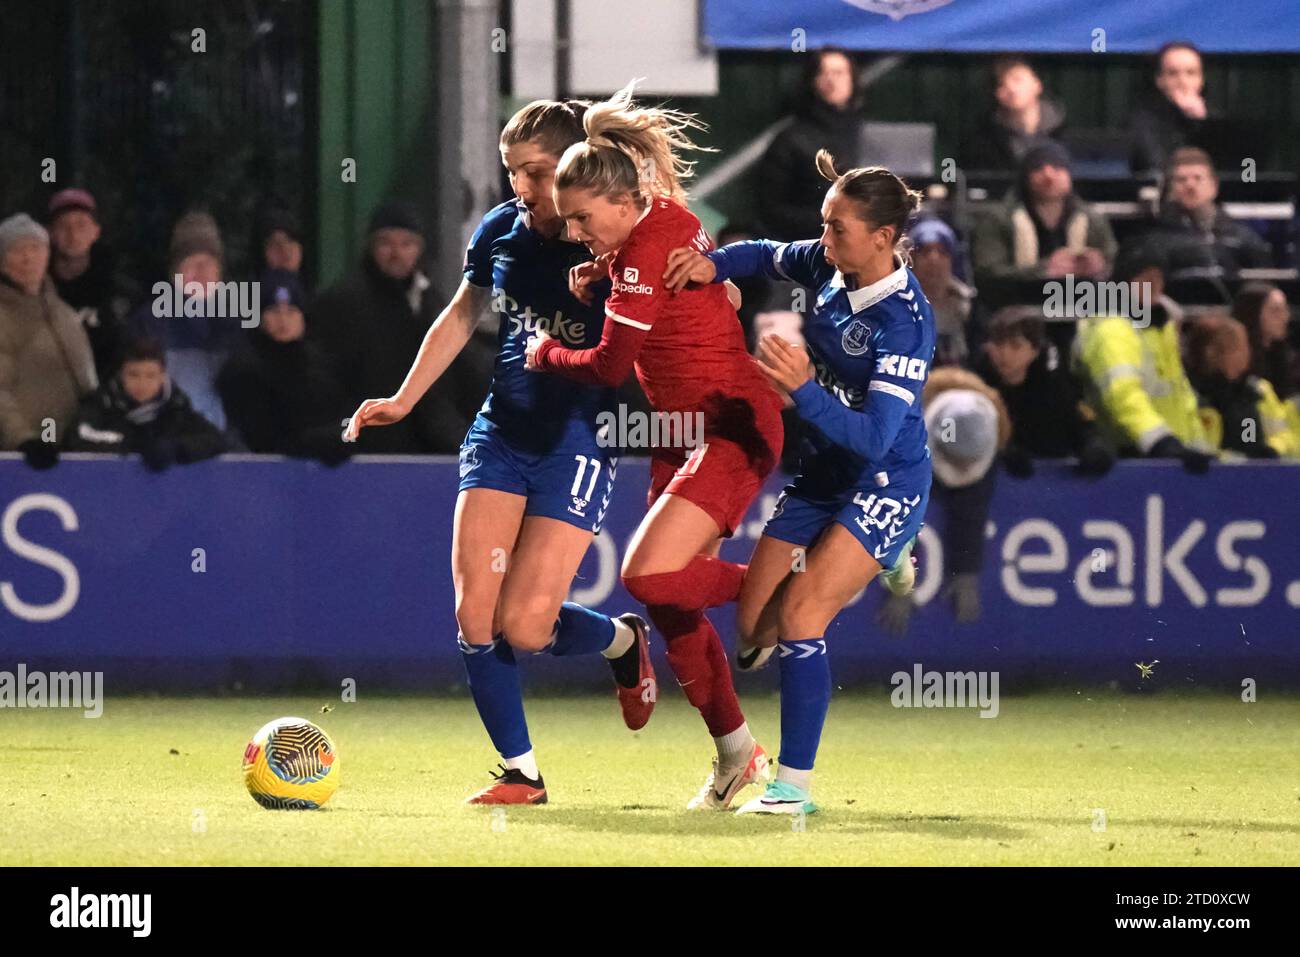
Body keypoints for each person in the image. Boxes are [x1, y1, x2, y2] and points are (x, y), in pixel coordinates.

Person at [346, 100, 655, 806]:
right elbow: (463, 312)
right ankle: (523, 773)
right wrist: (403, 399)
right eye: (512, 170)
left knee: (525, 625)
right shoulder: (500, 230)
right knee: (474, 614)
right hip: (501, 434)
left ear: (574, 165)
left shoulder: (611, 238)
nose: (521, 186)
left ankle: (620, 642)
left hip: (579, 440)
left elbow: (685, 291)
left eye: (536, 171)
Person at [527, 81, 784, 810]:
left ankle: (788, 584)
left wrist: (548, 352)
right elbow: (668, 274)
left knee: (648, 576)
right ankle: (736, 754)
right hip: (684, 435)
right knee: (673, 605)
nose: (577, 231)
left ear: (618, 201)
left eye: (583, 218)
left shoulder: (641, 253)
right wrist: (600, 271)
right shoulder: (663, 217)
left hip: (729, 425)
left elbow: (609, 365)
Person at [663, 153, 933, 815]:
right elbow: (762, 252)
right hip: (823, 473)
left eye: (838, 228)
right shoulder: (828, 262)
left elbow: (873, 437)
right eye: (824, 224)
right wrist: (714, 265)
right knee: (756, 626)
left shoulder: (906, 322)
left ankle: (794, 788)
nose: (824, 238)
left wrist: (802, 389)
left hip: (884, 478)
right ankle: (890, 559)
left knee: (804, 618)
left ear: (883, 237)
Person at [313, 201, 491, 454]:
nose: (396, 253)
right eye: (386, 243)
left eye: (406, 243)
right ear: (371, 247)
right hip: (368, 449)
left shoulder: (430, 300)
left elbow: (460, 370)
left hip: (429, 447)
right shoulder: (344, 304)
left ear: (419, 249)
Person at [1073, 242, 1214, 471]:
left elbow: (1180, 396)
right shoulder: (1112, 329)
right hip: (1135, 460)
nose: (1155, 285)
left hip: (1176, 458)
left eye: (1159, 277)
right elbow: (1123, 396)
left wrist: (1198, 447)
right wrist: (1160, 441)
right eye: (1145, 278)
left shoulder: (1159, 327)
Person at [216, 270, 351, 461]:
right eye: (273, 311)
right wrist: (313, 442)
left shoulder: (323, 364)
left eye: (291, 311)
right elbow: (260, 437)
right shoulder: (242, 369)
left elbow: (343, 414)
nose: (283, 319)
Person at [127, 211, 243, 433]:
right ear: (175, 271)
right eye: (191, 263)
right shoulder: (150, 321)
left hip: (223, 448)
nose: (201, 272)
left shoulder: (236, 322)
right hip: (167, 442)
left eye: (208, 263)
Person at [0, 213, 98, 466]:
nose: (28, 258)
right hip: (22, 457)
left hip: (72, 451)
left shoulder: (64, 314)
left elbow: (88, 381)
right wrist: (23, 440)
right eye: (17, 250)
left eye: (35, 248)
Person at [975, 306, 1113, 474]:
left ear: (1034, 351)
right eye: (997, 344)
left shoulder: (1055, 386)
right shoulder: (976, 387)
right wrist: (1001, 451)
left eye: (1015, 346)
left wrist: (1093, 446)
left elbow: (1079, 426)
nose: (1004, 353)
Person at [757, 48, 869, 242]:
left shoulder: (868, 134)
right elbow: (771, 208)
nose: (832, 80)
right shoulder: (791, 139)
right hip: (811, 249)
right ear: (812, 81)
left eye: (839, 73)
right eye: (824, 73)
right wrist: (832, 220)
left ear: (853, 79)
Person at [65, 336, 228, 468]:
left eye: (151, 375)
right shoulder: (101, 403)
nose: (142, 384)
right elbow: (77, 437)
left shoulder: (176, 408)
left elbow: (215, 440)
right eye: (134, 375)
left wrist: (175, 449)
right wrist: (133, 446)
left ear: (163, 377)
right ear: (121, 375)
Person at [971, 142, 1116, 285]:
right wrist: (1045, 270)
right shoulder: (998, 218)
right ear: (1025, 177)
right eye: (1038, 168)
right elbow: (987, 275)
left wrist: (1101, 267)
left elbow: (1118, 267)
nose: (1048, 175)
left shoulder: (1092, 218)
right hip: (1017, 301)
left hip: (1082, 299)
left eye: (1057, 168)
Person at [46, 188, 137, 381]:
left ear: (96, 231)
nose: (73, 235)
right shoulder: (33, 288)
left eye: (81, 225)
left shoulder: (120, 291)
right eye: (64, 226)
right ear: (51, 233)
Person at [1185, 314, 1300, 459]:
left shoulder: (1258, 391)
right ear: (1211, 353)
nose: (1246, 354)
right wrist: (1235, 460)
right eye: (1238, 348)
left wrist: (1272, 448)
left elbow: (1286, 435)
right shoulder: (1193, 396)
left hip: (1263, 473)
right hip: (1214, 477)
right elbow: (1196, 446)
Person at [1148, 147, 1272, 278]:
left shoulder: (1243, 239)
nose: (1190, 185)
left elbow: (1264, 283)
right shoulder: (1153, 242)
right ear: (1170, 189)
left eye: (1198, 178)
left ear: (1214, 186)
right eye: (1181, 180)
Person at [967, 57, 1067, 172]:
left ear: (1037, 84)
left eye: (1017, 80)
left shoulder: (1064, 134)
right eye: (1001, 84)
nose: (1011, 89)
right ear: (996, 94)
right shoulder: (982, 142)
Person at [1130, 42, 1213, 175]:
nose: (1183, 81)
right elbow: (1156, 165)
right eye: (1173, 73)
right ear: (1160, 80)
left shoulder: (1214, 120)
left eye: (1191, 73)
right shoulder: (1143, 122)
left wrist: (1200, 122)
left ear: (1201, 79)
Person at [909, 217, 974, 367]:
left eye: (942, 251)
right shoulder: (896, 304)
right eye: (925, 252)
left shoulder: (970, 304)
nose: (934, 259)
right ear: (911, 259)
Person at [1232, 282, 1298, 400]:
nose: (1285, 317)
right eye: (1275, 311)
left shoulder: (1285, 359)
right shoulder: (1236, 362)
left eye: (1285, 309)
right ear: (1253, 313)